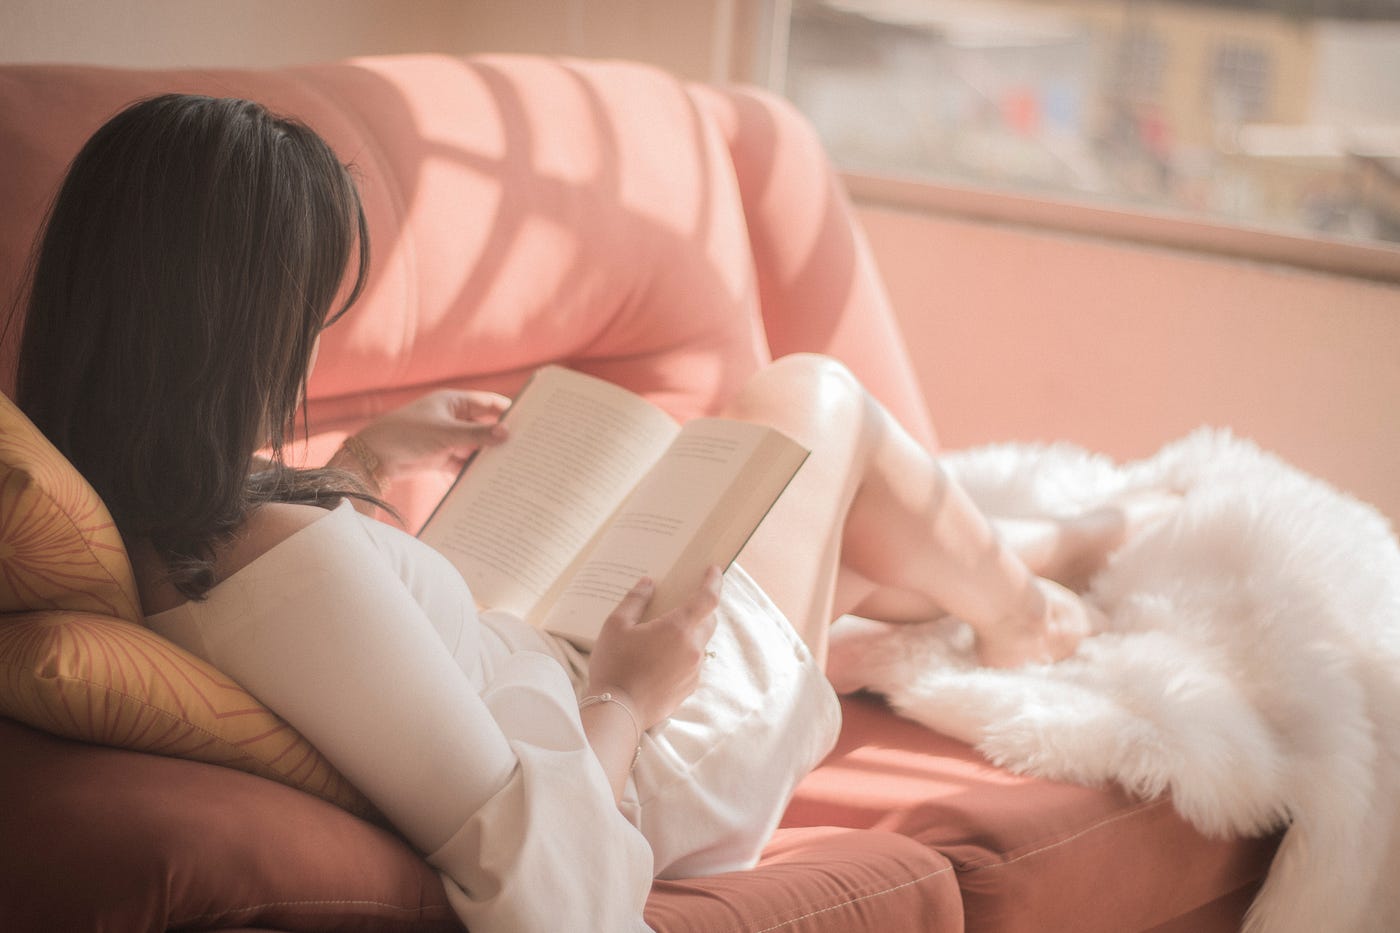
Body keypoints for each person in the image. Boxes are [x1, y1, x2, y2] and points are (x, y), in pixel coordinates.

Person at [15, 94, 1148, 932]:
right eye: (308, 313)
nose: (313, 344)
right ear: (232, 327)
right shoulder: (270, 571)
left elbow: (340, 650)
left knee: (816, 523)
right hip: (647, 764)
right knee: (811, 401)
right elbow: (541, 880)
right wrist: (628, 690)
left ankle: (1027, 560)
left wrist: (363, 455)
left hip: (553, 681)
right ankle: (1029, 617)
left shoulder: (145, 497)